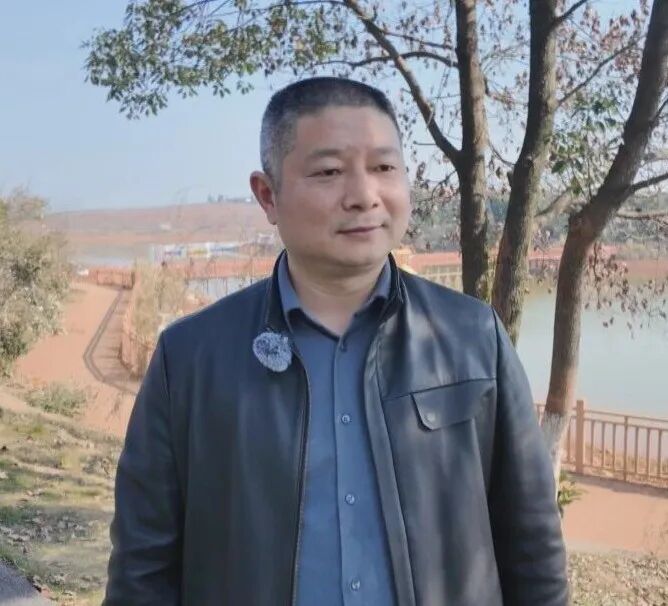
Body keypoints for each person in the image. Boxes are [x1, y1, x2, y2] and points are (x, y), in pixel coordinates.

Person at [104, 77, 568, 605]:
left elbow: (533, 546)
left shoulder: (472, 337)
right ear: (268, 195)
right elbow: (143, 567)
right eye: (328, 172)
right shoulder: (191, 359)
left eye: (384, 168)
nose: (364, 196)